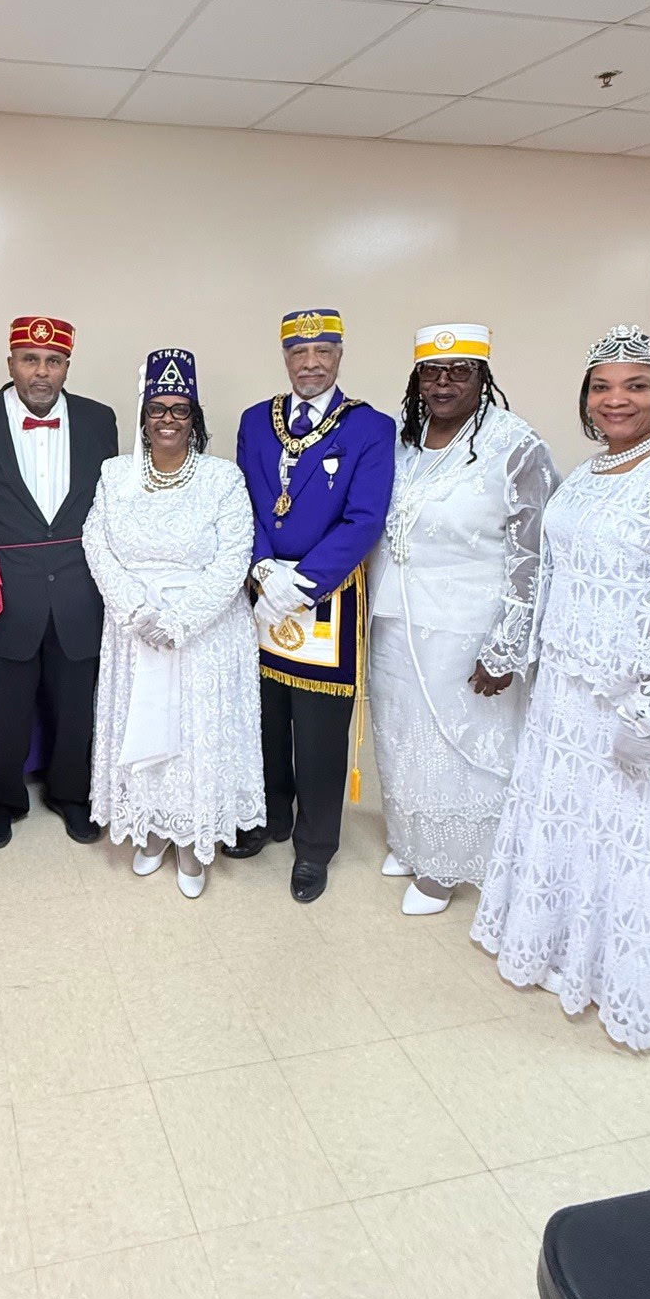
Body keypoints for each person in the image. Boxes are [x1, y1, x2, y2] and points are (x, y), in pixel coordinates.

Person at [472, 326, 650, 1051]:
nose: (616, 399)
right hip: (566, 681)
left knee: (624, 829)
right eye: (602, 386)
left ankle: (620, 979)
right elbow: (554, 573)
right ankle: (557, 949)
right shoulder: (589, 474)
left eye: (635, 386)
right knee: (568, 815)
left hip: (631, 693)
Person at [368, 325, 559, 916]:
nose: (443, 383)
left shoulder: (516, 446)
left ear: (483, 376)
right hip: (395, 619)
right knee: (402, 737)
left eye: (460, 371)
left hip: (467, 627)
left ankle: (449, 864)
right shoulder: (405, 440)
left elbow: (535, 555)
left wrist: (507, 647)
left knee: (457, 747)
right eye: (432, 371)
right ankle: (412, 841)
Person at [84, 349, 262, 896]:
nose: (167, 419)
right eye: (157, 409)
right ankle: (152, 828)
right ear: (143, 417)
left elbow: (234, 558)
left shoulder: (222, 478)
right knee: (142, 726)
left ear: (194, 418)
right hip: (134, 627)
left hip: (204, 632)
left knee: (192, 736)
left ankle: (192, 838)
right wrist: (136, 611)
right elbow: (95, 542)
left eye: (179, 410)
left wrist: (180, 621)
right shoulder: (115, 474)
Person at [232, 309, 396, 902]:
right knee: (265, 719)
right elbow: (245, 501)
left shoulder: (371, 427)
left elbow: (365, 519)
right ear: (285, 358)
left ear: (339, 355)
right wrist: (262, 567)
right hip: (262, 590)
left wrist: (301, 583)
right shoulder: (256, 420)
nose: (310, 364)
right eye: (298, 353)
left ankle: (315, 846)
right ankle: (271, 817)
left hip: (328, 597)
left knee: (320, 732)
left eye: (322, 351)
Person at [0, 316, 119, 849]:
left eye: (53, 361)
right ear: (11, 363)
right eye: (30, 359)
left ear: (67, 366)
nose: (41, 372)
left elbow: (113, 505)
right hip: (3, 592)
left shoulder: (100, 419)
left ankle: (71, 794)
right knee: (1, 706)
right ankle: (2, 800)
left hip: (78, 589)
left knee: (76, 704)